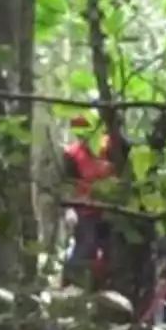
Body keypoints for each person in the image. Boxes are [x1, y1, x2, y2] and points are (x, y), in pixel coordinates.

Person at [62, 117, 117, 287]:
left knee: (113, 251)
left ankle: (100, 287)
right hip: (85, 210)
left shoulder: (109, 148)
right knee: (86, 245)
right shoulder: (73, 154)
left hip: (111, 210)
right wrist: (69, 209)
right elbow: (67, 184)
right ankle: (70, 284)